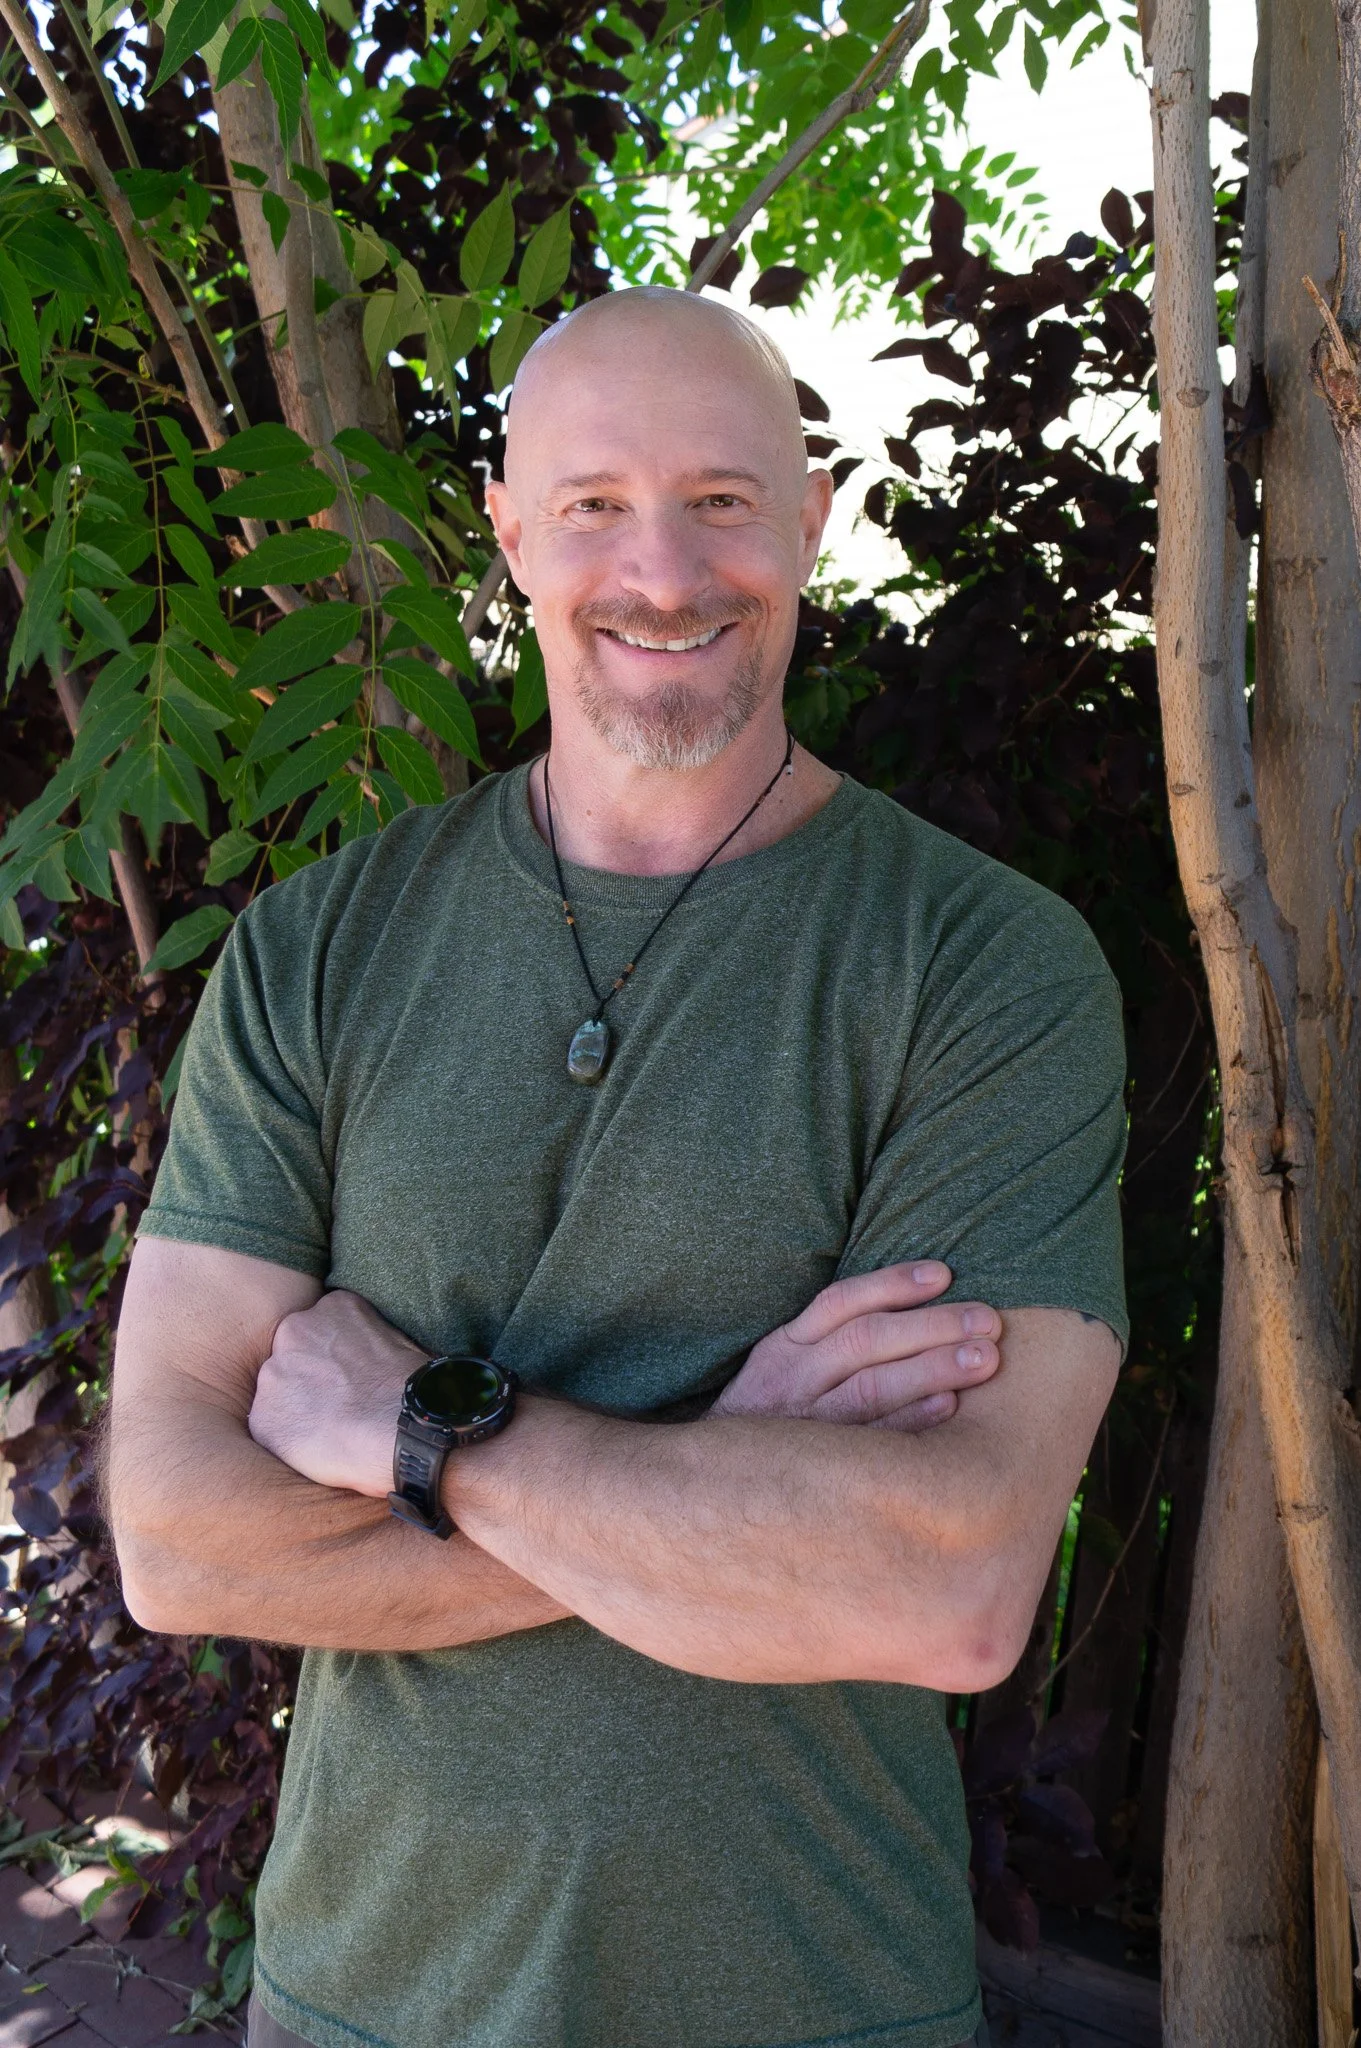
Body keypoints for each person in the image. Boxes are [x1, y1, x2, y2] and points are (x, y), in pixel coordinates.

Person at [108, 286, 1126, 2048]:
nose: (663, 571)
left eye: (724, 498)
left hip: (819, 2004)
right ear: (509, 535)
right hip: (361, 1999)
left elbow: (948, 1590)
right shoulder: (319, 951)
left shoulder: (984, 966)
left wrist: (421, 1432)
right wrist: (731, 1470)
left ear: (814, 516)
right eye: (593, 506)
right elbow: (186, 1545)